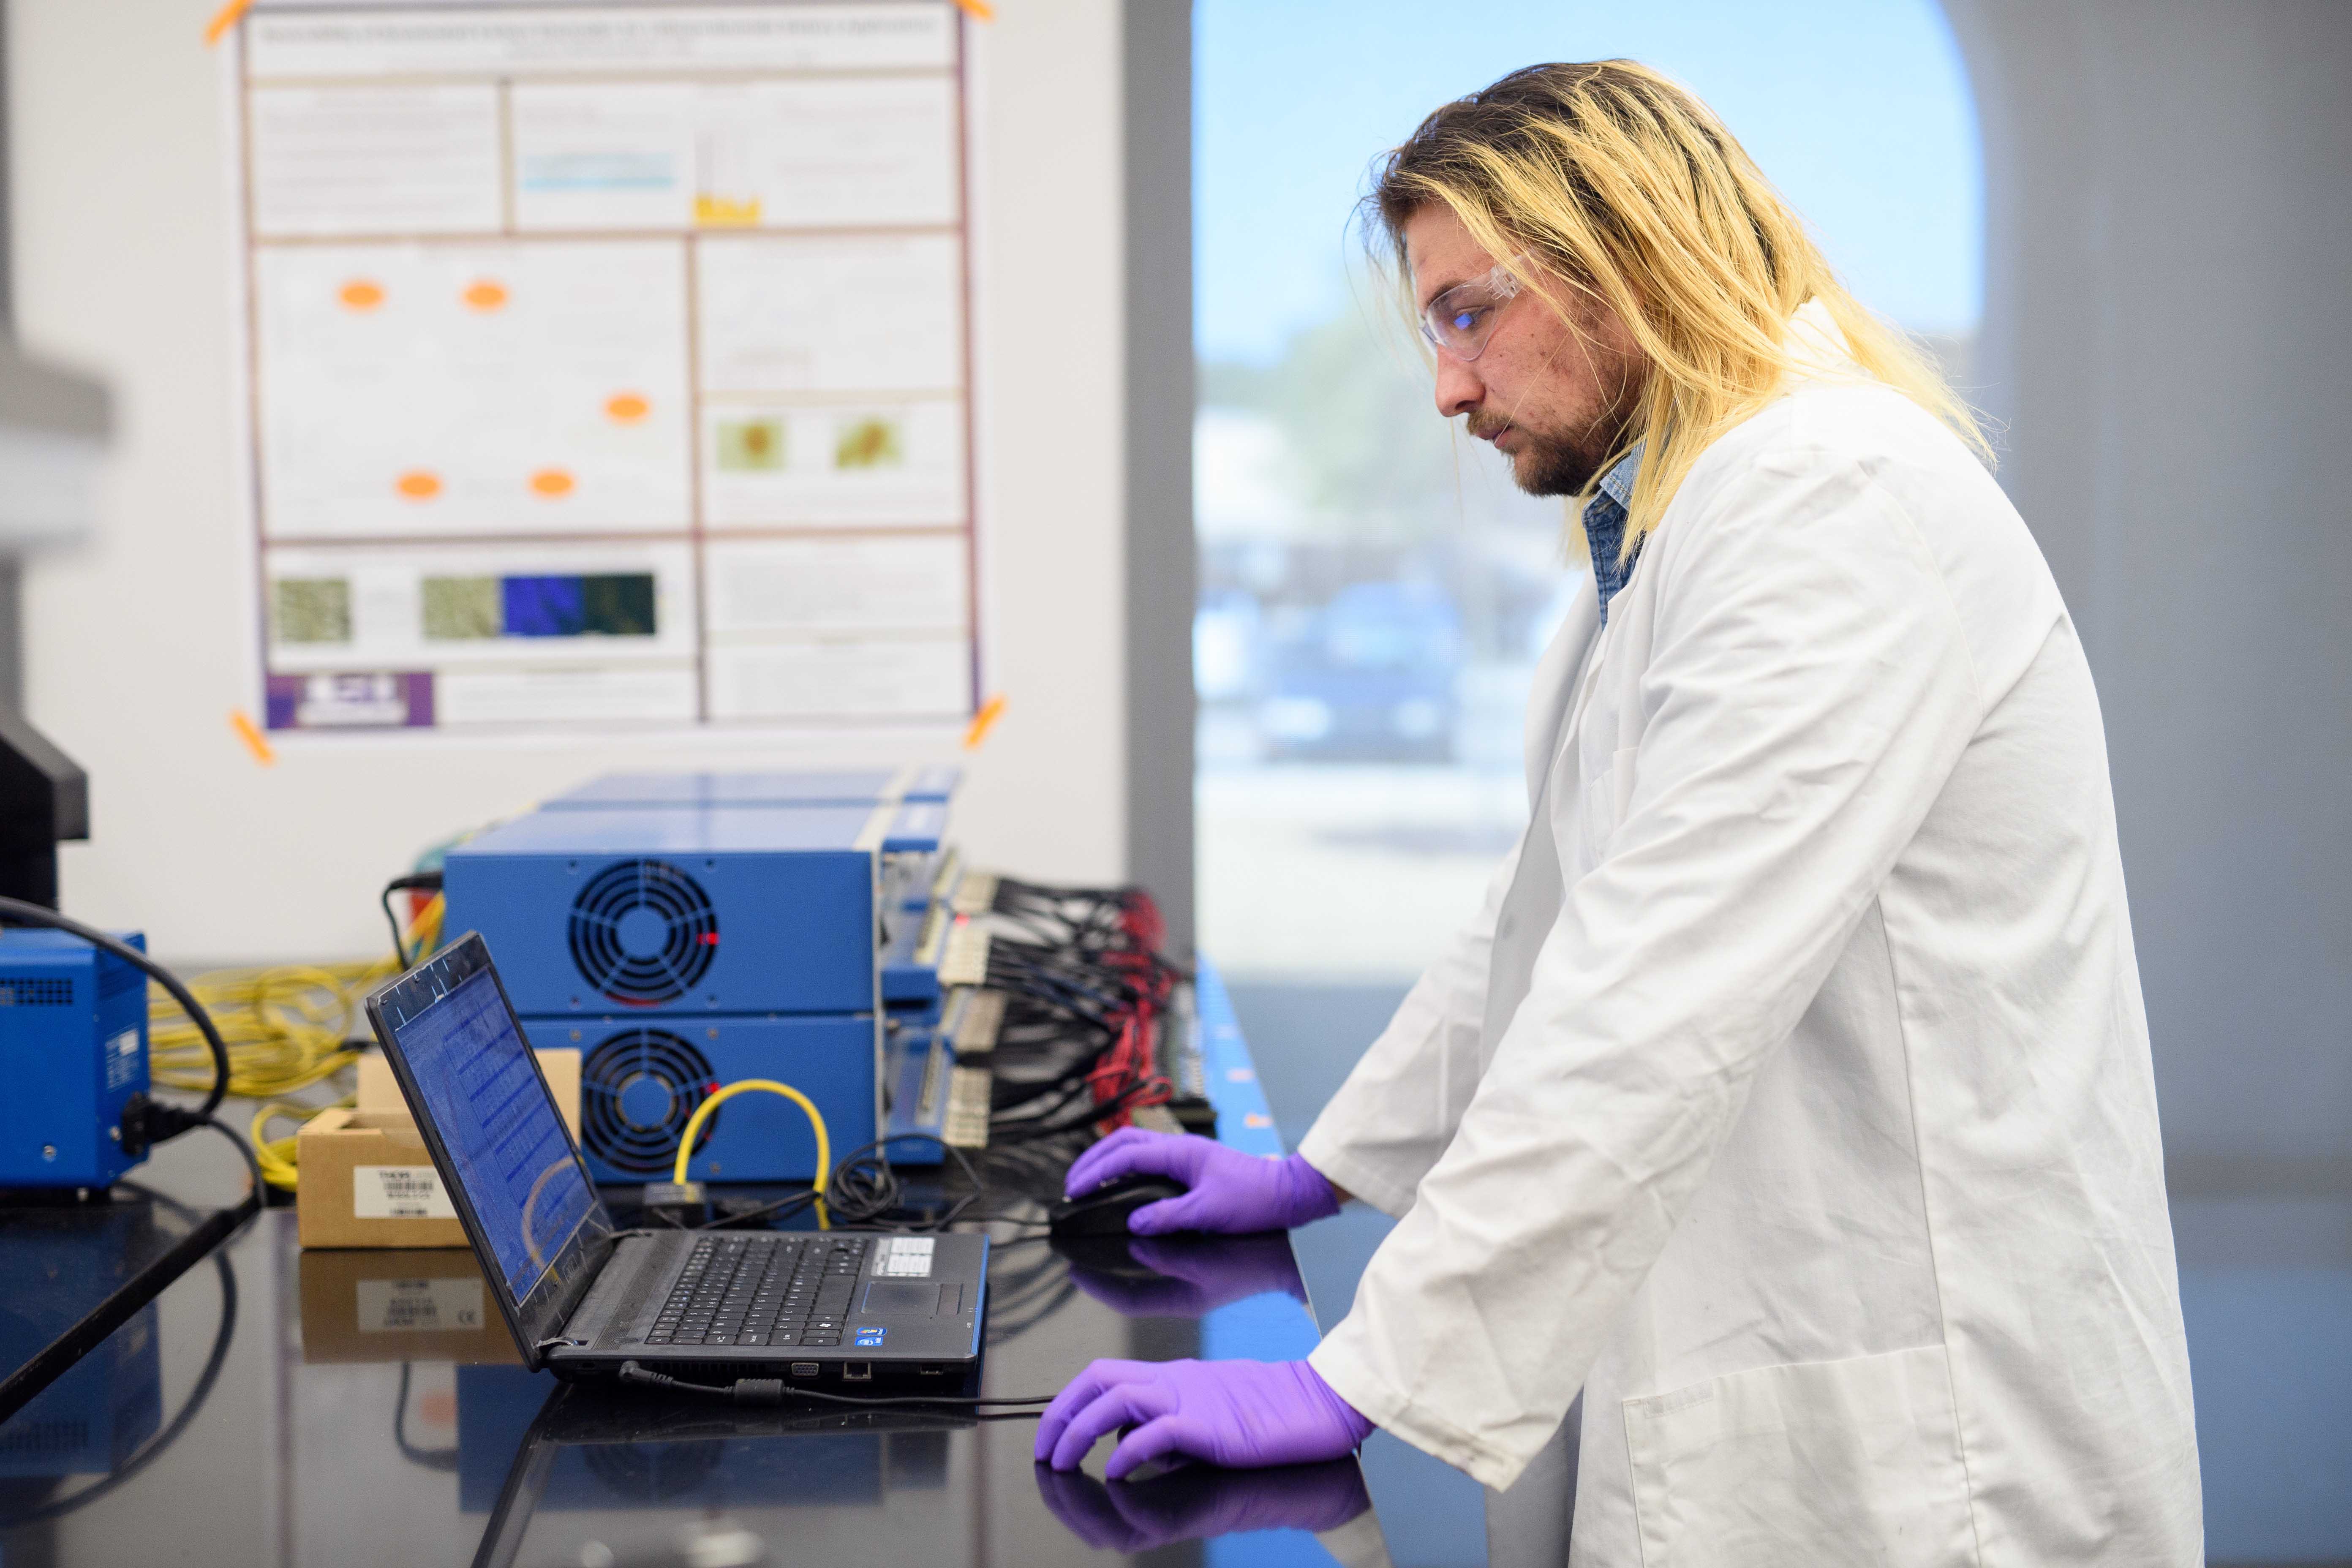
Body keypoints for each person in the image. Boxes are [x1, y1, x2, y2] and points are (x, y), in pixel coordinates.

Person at [1034, 60, 2202, 1565]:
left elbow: (1653, 991)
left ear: (1631, 258)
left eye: (1470, 312)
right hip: (1791, 1380)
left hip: (1931, 1457)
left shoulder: (1831, 499)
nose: (1448, 388)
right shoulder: (1685, 519)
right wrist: (1320, 1170)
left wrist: (1356, 1380)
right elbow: (1550, 918)